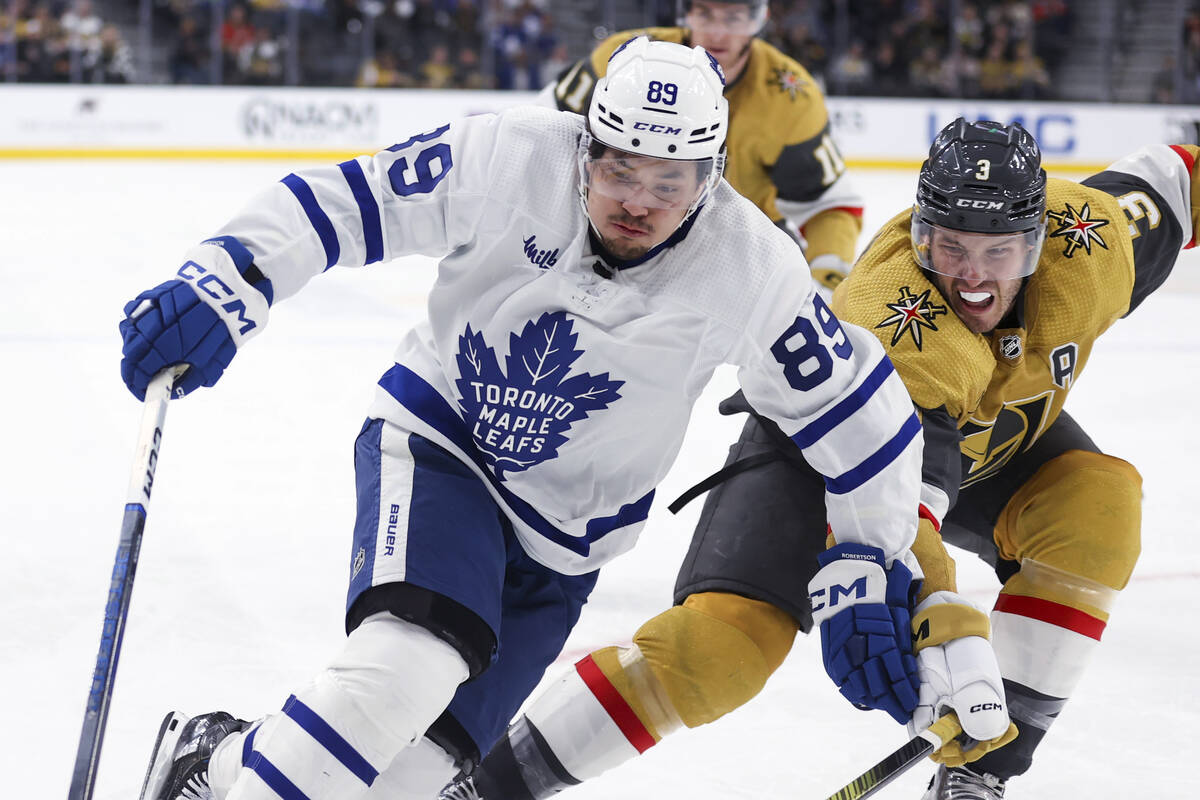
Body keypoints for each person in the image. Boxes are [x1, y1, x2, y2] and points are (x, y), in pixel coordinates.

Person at [126, 38, 933, 800]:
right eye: (620, 171)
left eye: (669, 183)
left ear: (712, 176)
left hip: (571, 538)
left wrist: (869, 551)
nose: (638, 205)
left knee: (409, 778)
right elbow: (352, 198)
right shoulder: (507, 155)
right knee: (404, 670)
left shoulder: (749, 267)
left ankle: (215, 755)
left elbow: (862, 414)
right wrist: (229, 278)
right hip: (447, 444)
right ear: (586, 147)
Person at [446, 118, 1199, 800]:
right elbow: (898, 505)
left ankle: (978, 773)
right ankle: (487, 789)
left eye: (998, 253)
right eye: (949, 249)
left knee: (1099, 507)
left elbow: (1179, 177)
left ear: (1038, 243)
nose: (972, 278)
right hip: (827, 450)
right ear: (921, 235)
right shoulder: (899, 321)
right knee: (721, 652)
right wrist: (940, 615)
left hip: (992, 447)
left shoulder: (1097, 240)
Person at [538, 0, 863, 296]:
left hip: (738, 247)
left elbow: (828, 207)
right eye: (705, 13)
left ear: (758, 19)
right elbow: (542, 137)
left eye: (734, 17)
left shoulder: (791, 99)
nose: (718, 32)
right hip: (614, 224)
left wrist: (825, 283)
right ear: (685, 12)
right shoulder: (624, 60)